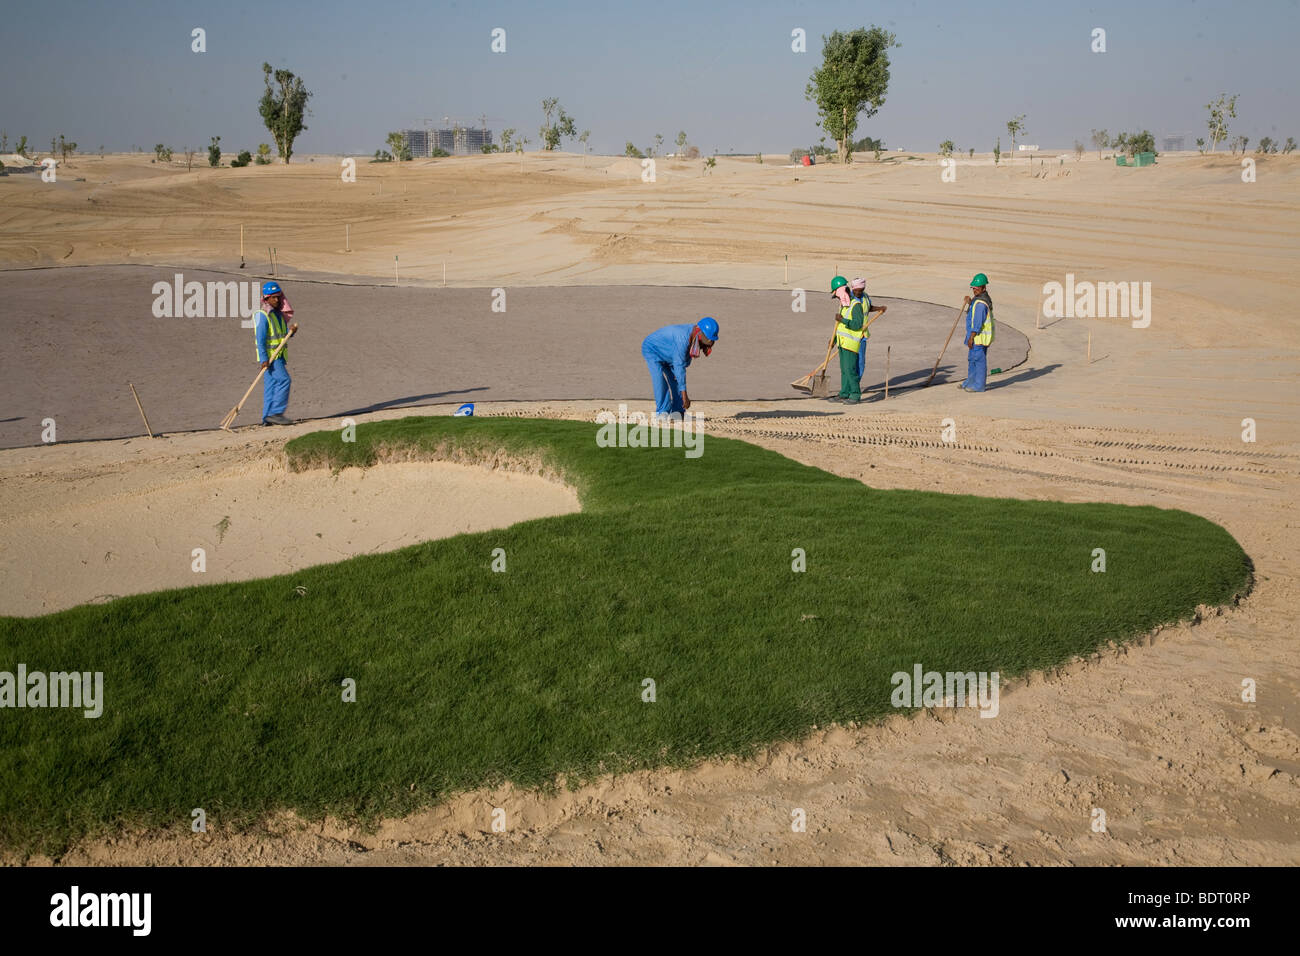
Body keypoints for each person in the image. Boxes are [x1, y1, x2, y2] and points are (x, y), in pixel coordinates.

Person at [641, 317, 718, 418]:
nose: (709, 343)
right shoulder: (682, 339)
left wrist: (705, 345)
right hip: (652, 349)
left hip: (670, 353)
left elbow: (681, 366)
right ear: (700, 333)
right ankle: (662, 412)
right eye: (707, 339)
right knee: (659, 379)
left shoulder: (695, 334)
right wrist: (684, 395)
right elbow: (679, 367)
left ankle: (677, 413)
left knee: (676, 379)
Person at [253, 280, 299, 425]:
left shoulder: (278, 315)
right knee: (285, 380)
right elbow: (260, 340)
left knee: (271, 387)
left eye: (278, 297)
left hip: (279, 356)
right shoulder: (262, 315)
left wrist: (291, 332)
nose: (277, 300)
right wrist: (263, 359)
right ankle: (275, 413)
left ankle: (266, 418)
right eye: (273, 297)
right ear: (266, 298)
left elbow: (282, 336)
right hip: (272, 358)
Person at [828, 275, 865, 403]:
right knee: (844, 371)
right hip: (842, 343)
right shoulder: (843, 306)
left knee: (850, 370)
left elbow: (857, 325)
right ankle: (844, 393)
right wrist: (833, 340)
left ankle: (855, 395)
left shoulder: (856, 306)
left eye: (837, 295)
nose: (837, 298)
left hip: (851, 345)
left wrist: (842, 319)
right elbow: (840, 328)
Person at [960, 273, 994, 392]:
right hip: (975, 337)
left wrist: (971, 337)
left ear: (983, 288)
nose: (974, 290)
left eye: (976, 288)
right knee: (972, 359)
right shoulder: (979, 299)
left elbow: (978, 323)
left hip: (978, 338)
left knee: (978, 361)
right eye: (973, 288)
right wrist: (970, 302)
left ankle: (979, 386)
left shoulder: (980, 304)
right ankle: (970, 381)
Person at [850, 277, 887, 387]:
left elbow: (868, 307)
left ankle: (855, 385)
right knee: (850, 364)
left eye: (861, 290)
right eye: (856, 290)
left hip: (862, 335)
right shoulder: (848, 299)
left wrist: (879, 308)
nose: (858, 293)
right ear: (853, 289)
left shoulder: (865, 296)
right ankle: (850, 386)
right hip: (850, 336)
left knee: (861, 363)